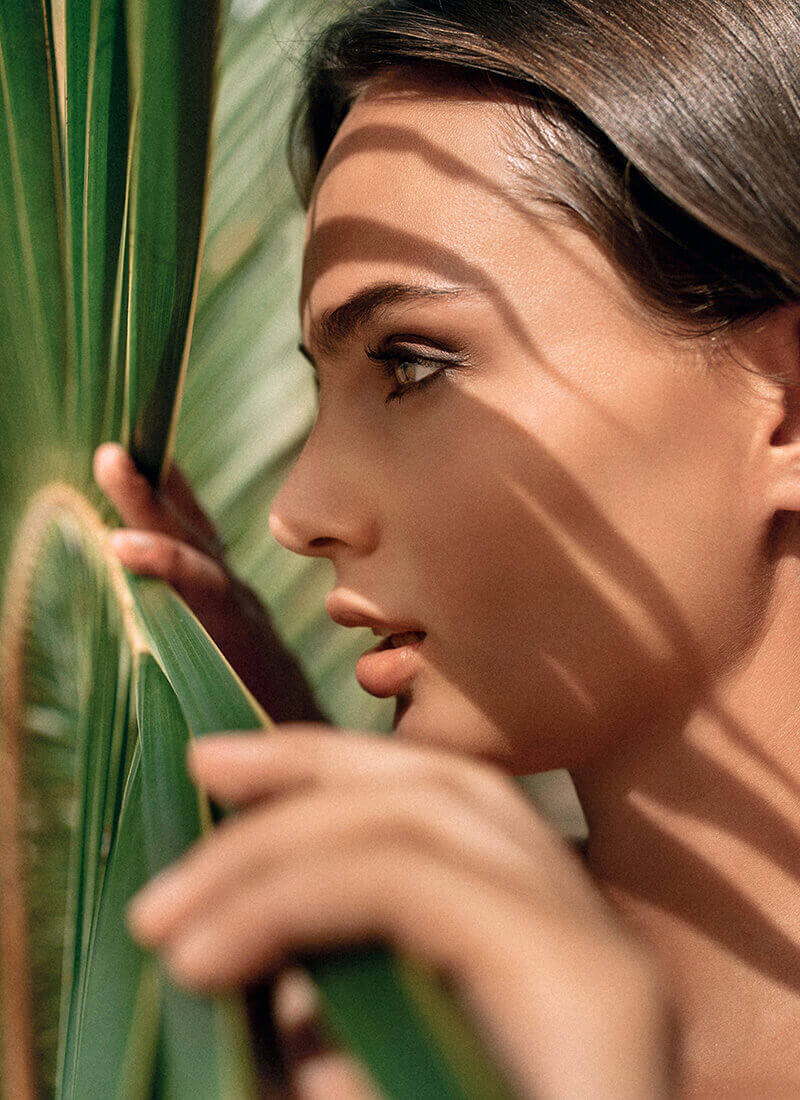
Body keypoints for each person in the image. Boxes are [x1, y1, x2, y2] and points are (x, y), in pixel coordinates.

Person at [93, 0, 800, 1095]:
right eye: (321, 389)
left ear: (785, 406)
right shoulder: (334, 1040)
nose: (297, 509)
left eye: (412, 364)